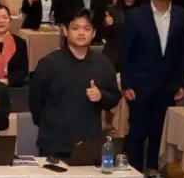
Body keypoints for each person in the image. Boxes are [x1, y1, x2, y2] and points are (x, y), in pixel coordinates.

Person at [121, 0, 184, 178]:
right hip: (140, 83)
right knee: (137, 130)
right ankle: (133, 174)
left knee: (159, 130)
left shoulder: (182, 15)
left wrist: (182, 83)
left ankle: (152, 173)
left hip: (168, 84)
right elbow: (126, 53)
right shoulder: (136, 15)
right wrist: (127, 84)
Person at [29, 9, 121, 158]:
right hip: (53, 143)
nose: (81, 33)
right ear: (65, 31)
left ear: (94, 33)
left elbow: (115, 97)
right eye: (75, 28)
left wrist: (101, 96)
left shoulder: (103, 63)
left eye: (87, 29)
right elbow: (35, 103)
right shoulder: (48, 63)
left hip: (89, 142)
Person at [101, 0, 143, 71]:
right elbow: (104, 34)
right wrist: (106, 24)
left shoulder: (144, 11)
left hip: (136, 57)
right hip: (114, 57)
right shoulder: (111, 9)